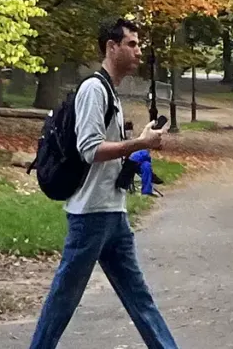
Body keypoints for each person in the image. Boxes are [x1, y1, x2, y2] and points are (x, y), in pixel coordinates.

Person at [26, 17, 177, 349]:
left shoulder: (110, 91)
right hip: (90, 215)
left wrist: (138, 149)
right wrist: (139, 144)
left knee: (140, 299)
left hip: (112, 212)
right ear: (112, 47)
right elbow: (90, 150)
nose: (139, 51)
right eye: (132, 44)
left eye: (138, 45)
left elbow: (108, 151)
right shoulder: (94, 89)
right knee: (63, 300)